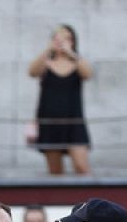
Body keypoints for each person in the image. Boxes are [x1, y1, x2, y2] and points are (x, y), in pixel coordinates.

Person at [29, 25, 93, 175]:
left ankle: (87, 199)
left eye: (67, 38)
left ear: (73, 41)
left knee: (82, 167)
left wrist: (72, 53)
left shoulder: (77, 63)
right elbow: (32, 72)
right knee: (55, 173)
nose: (62, 42)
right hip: (50, 123)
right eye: (58, 38)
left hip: (74, 122)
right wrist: (48, 50)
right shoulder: (46, 63)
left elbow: (88, 74)